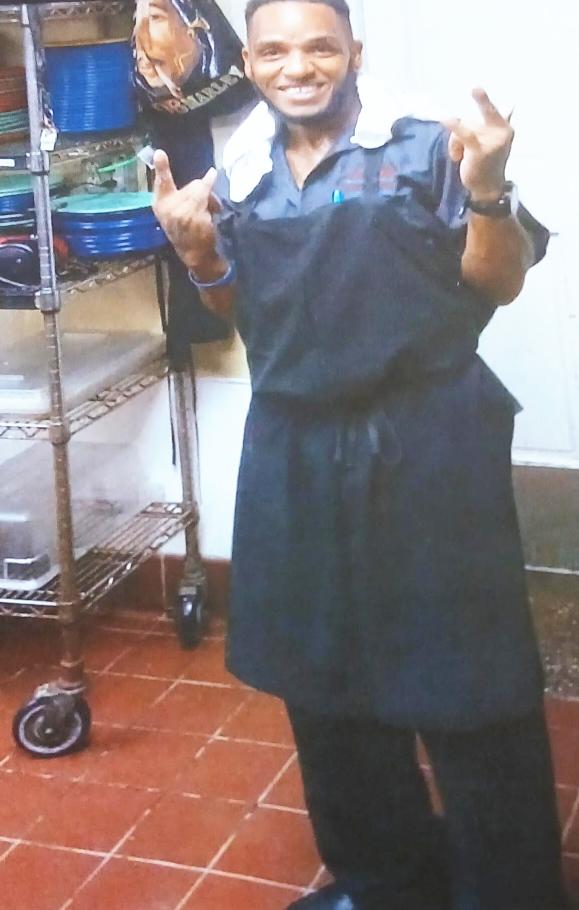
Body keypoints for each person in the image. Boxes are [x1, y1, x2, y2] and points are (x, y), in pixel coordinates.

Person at [152, 2, 570, 908]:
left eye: (319, 46)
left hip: (429, 443)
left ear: (354, 53)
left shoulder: (426, 147)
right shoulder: (238, 170)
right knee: (323, 678)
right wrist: (198, 255)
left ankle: (511, 890)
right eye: (274, 50)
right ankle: (385, 880)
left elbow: (498, 279)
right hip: (294, 450)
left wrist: (487, 187)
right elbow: (243, 308)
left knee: (468, 677)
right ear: (249, 63)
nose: (297, 67)